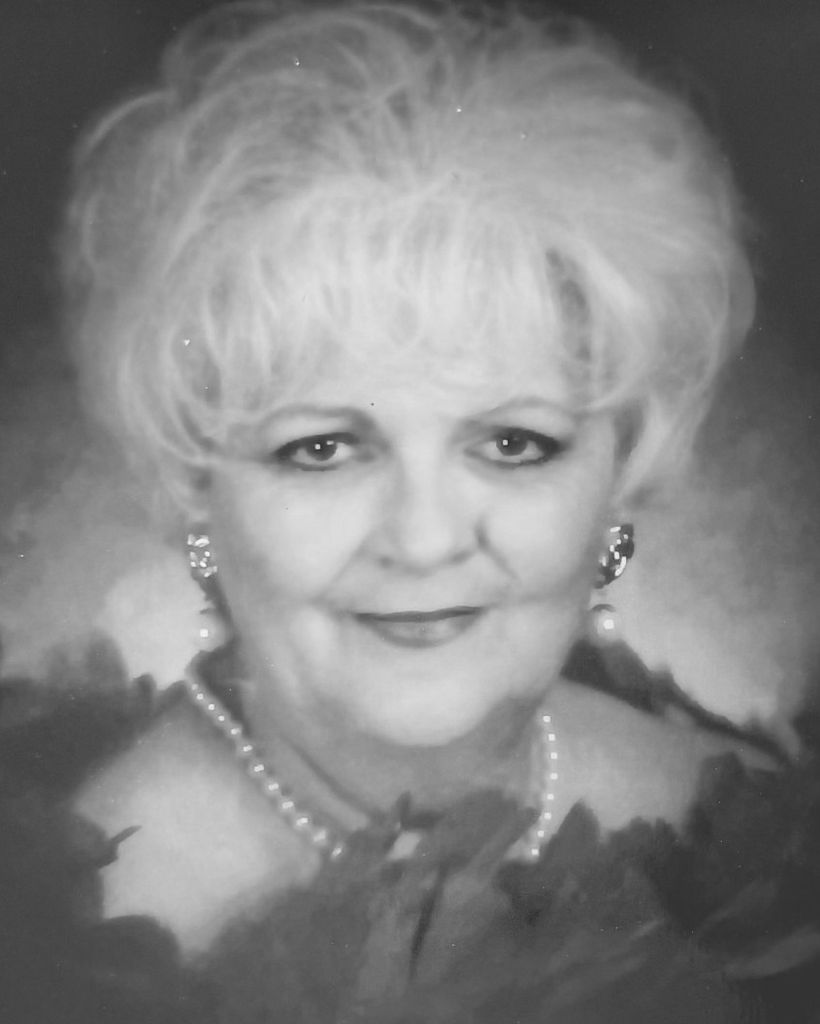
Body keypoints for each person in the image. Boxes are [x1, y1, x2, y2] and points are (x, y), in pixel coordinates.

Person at [1, 2, 818, 1021]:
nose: (425, 538)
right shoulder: (55, 942)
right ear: (194, 489)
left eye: (512, 443)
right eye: (322, 449)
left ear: (620, 471)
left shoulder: (766, 841)